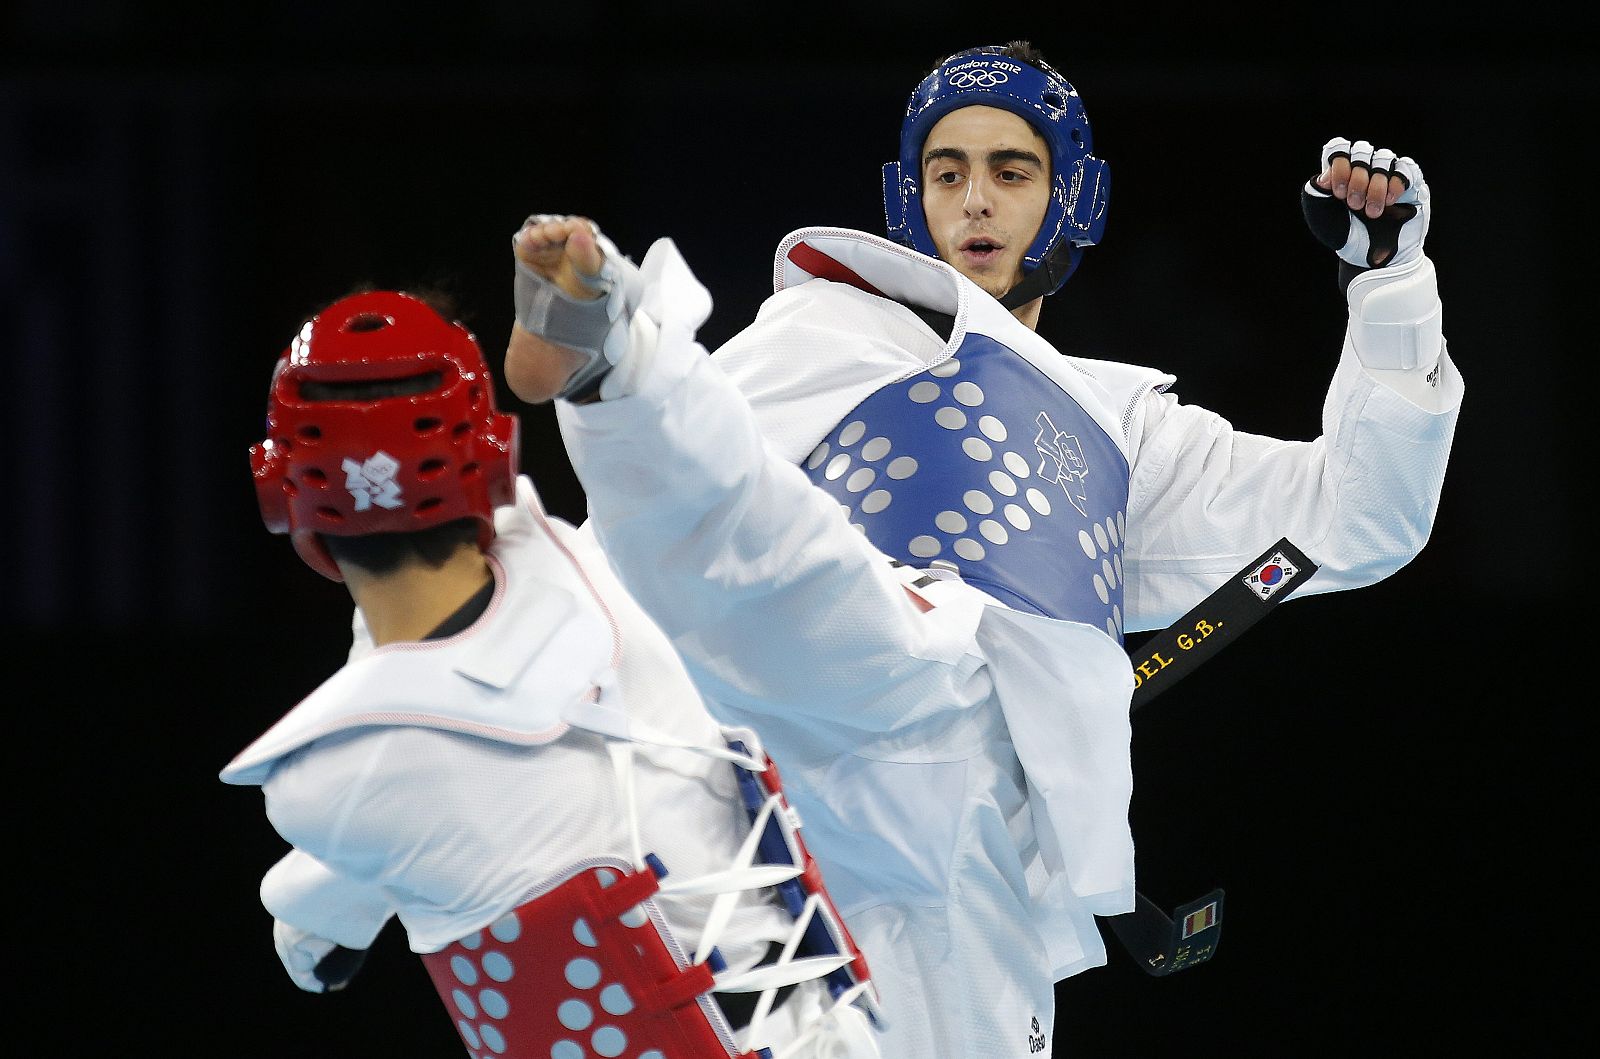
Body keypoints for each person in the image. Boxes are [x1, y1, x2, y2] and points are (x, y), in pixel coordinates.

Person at [503, 40, 1462, 1058]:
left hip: (973, 869)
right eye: (946, 173)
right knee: (720, 508)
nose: (973, 204)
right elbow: (656, 534)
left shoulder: (1118, 430)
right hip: (793, 797)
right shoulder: (823, 330)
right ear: (906, 199)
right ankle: (619, 356)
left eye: (1011, 173)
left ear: (1075, 201)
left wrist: (1389, 285)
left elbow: (1358, 524)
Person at [218, 287, 885, 1059]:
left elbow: (391, 790)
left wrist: (307, 903)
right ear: (495, 455)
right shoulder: (589, 569)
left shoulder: (327, 788)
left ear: (280, 492)